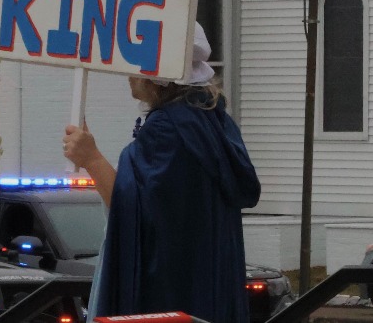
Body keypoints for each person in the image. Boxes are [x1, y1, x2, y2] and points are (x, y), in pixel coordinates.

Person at [62, 23, 261, 323]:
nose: (127, 72)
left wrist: (91, 159)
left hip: (170, 297)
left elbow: (132, 209)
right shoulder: (213, 121)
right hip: (206, 292)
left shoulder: (167, 130)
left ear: (156, 78)